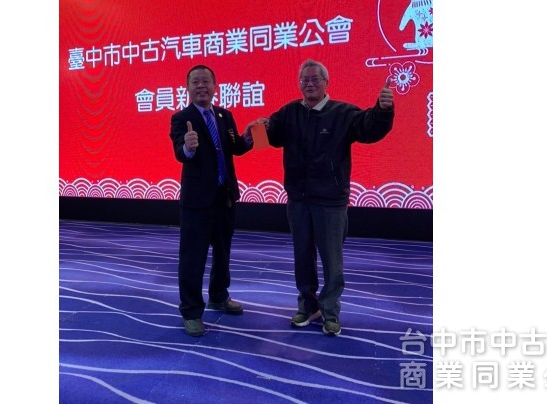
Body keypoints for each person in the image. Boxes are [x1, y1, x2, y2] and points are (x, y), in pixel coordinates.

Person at [262, 58, 394, 336]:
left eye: (315, 79)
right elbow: (271, 136)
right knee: (302, 258)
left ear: (326, 82)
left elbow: (369, 128)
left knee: (332, 263)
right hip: (298, 200)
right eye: (304, 80)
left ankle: (330, 312)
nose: (309, 84)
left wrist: (383, 111)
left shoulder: (342, 112)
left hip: (331, 202)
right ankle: (307, 306)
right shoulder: (290, 112)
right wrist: (261, 127)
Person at [169, 64, 259, 337]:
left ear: (215, 86)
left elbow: (236, 147)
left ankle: (219, 296)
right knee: (192, 258)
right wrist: (188, 147)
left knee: (222, 253)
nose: (201, 86)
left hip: (225, 197)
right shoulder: (181, 118)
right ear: (187, 88)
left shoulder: (224, 115)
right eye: (195, 82)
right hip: (197, 202)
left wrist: (249, 137)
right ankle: (191, 311)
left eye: (206, 81)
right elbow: (180, 152)